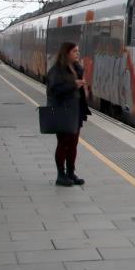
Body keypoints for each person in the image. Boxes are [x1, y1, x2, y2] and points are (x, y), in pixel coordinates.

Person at [46, 42, 90, 187]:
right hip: (62, 111)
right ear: (66, 53)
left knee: (73, 144)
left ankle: (71, 173)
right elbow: (54, 90)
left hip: (75, 111)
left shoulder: (77, 68)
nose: (78, 53)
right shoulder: (57, 70)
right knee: (63, 143)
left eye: (78, 51)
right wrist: (74, 85)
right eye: (75, 51)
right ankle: (61, 175)